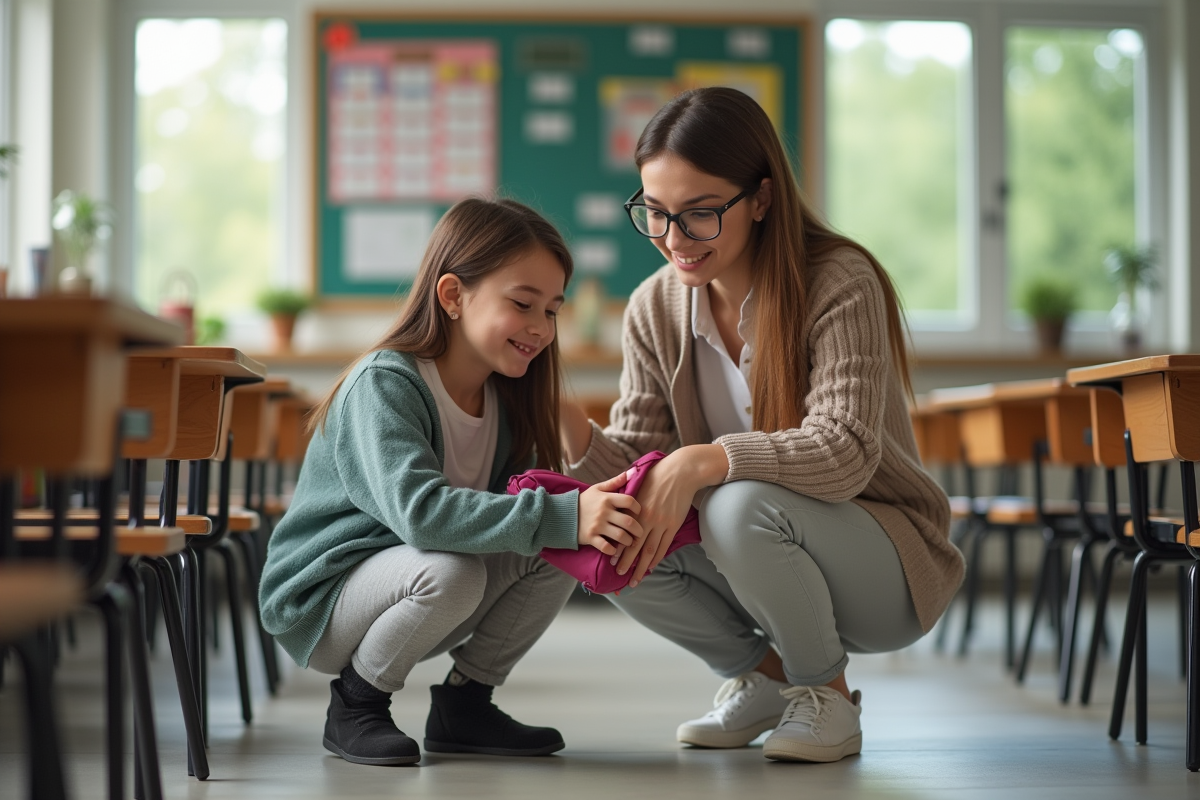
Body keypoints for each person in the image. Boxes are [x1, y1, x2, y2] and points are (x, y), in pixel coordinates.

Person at [558, 88, 964, 764]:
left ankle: (828, 696)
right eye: (654, 213)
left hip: (887, 567)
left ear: (762, 199)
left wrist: (702, 461)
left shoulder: (837, 279)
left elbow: (846, 450)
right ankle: (766, 680)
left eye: (701, 214)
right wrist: (566, 425)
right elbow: (634, 461)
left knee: (734, 499)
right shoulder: (653, 307)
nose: (673, 239)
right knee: (609, 526)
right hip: (762, 557)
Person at [260, 198, 644, 766]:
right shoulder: (384, 384)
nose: (541, 328)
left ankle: (466, 705)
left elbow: (529, 514)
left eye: (553, 310)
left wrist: (595, 514)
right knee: (461, 567)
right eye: (522, 304)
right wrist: (566, 515)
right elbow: (422, 515)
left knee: (561, 544)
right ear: (453, 295)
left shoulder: (508, 396)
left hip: (415, 589)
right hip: (326, 598)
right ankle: (356, 706)